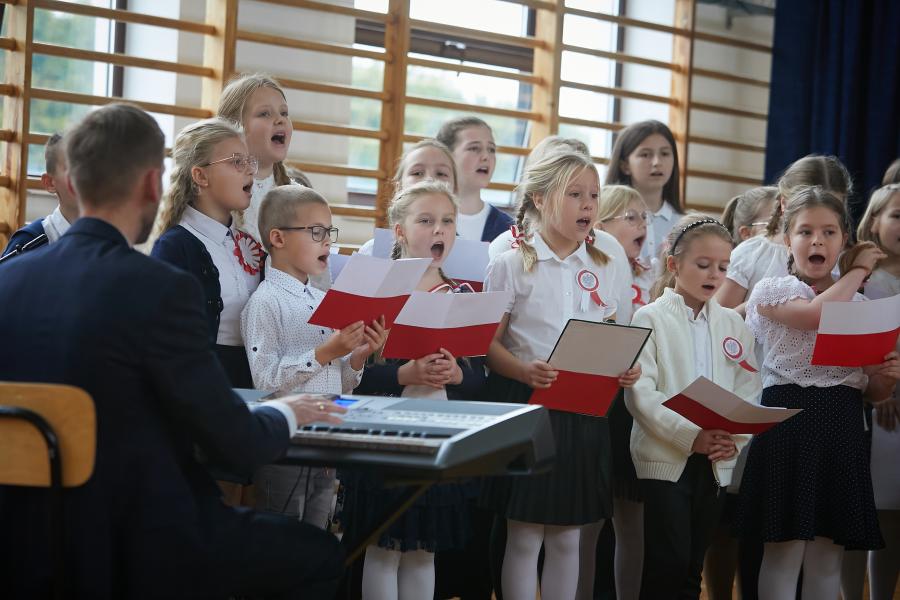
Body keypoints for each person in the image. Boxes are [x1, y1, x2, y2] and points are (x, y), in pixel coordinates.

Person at [0, 103, 346, 599]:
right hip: (140, 534)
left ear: (72, 183)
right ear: (151, 184)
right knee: (322, 553)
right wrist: (289, 411)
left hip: (24, 537)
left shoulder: (8, 280)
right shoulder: (160, 288)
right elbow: (234, 441)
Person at [482, 151, 640, 600]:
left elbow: (615, 331)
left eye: (593, 195)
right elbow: (487, 345)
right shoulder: (510, 263)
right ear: (539, 198)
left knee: (569, 535)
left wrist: (625, 367)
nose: (588, 204)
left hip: (584, 408)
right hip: (527, 406)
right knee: (524, 533)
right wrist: (522, 368)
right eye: (574, 194)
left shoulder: (605, 263)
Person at [736, 186, 899, 600]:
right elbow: (813, 317)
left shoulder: (859, 305)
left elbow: (871, 390)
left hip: (842, 427)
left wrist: (887, 378)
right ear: (787, 238)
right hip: (787, 424)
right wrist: (858, 271)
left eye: (829, 232)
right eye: (805, 231)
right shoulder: (772, 291)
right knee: (783, 551)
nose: (817, 241)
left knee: (828, 557)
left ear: (843, 239)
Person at [339, 180, 486, 600]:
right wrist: (405, 374)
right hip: (383, 437)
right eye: (426, 220)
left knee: (424, 553)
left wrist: (457, 376)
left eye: (447, 221)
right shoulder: (376, 291)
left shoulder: (462, 295)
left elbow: (479, 379)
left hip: (438, 436)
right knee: (383, 551)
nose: (439, 229)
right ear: (399, 231)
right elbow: (352, 375)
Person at [625, 214, 760, 600]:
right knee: (666, 563)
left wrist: (733, 439)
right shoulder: (649, 317)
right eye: (703, 264)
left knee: (691, 567)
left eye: (723, 267)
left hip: (716, 460)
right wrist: (691, 436)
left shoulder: (734, 325)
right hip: (665, 457)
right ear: (674, 264)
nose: (714, 275)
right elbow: (640, 394)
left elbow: (749, 389)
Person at [241, 185, 386, 529]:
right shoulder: (265, 301)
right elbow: (265, 381)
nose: (327, 243)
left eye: (329, 233)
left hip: (325, 443)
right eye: (316, 232)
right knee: (281, 538)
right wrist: (325, 352)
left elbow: (340, 383)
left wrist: (357, 357)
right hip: (286, 445)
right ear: (278, 238)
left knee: (318, 536)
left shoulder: (323, 301)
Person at [151, 118, 263, 389]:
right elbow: (165, 339)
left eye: (249, 161)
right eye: (236, 162)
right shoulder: (175, 247)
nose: (250, 169)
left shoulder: (250, 245)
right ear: (201, 176)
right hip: (204, 385)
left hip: (255, 381)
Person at [591, 183, 652, 600]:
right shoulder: (593, 271)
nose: (641, 224)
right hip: (602, 403)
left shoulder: (654, 276)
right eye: (630, 217)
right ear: (601, 226)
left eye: (644, 217)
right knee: (591, 519)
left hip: (642, 404)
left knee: (633, 520)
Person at [841, 183, 900, 600]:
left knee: (894, 517)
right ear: (875, 221)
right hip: (873, 404)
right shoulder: (860, 278)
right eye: (897, 216)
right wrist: (883, 392)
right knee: (865, 511)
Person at [604, 120, 683, 273]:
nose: (657, 162)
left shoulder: (684, 225)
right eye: (645, 154)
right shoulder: (607, 221)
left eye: (665, 153)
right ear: (624, 165)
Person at [357, 138, 458, 257]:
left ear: (455, 190)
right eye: (417, 173)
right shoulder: (371, 252)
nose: (429, 179)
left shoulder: (473, 257)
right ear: (399, 188)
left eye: (441, 173)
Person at [435, 116, 513, 242]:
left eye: (491, 149)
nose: (486, 156)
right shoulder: (423, 221)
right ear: (446, 155)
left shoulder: (509, 229)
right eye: (474, 148)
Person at [2, 133, 79, 257]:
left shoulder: (110, 240)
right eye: (74, 170)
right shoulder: (28, 243)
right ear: (50, 183)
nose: (86, 178)